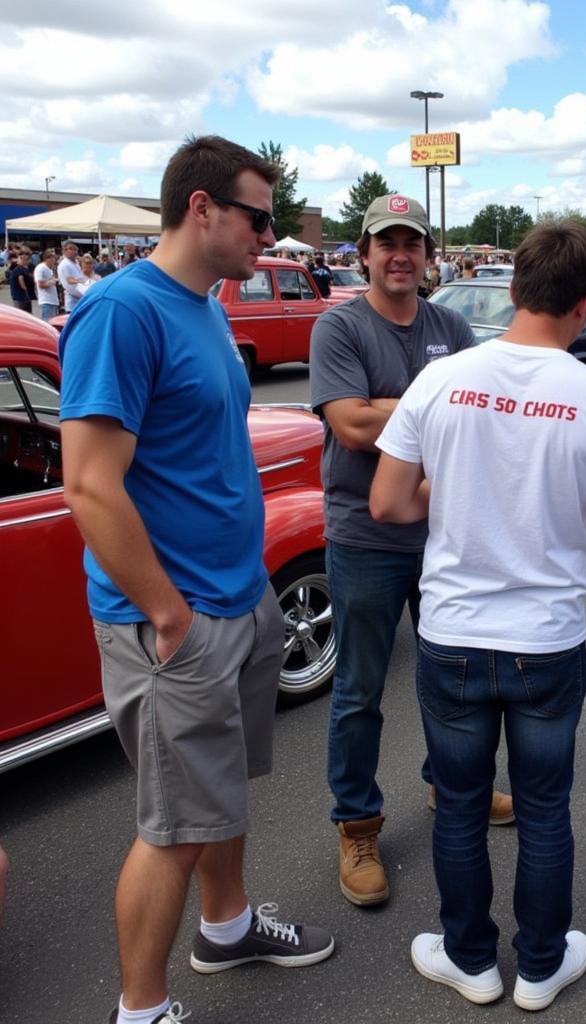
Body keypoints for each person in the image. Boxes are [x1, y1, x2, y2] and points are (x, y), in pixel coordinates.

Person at [59, 135, 334, 1024]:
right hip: (175, 623)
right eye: (260, 216)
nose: (273, 235)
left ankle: (228, 925)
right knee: (171, 826)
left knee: (218, 792)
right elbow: (89, 484)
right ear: (203, 208)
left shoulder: (206, 306)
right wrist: (165, 612)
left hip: (235, 597)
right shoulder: (122, 312)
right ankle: (140, 1010)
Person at [369, 221, 586, 1009]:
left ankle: (470, 959)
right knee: (544, 809)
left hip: (453, 635)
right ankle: (540, 966)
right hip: (546, 640)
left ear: (511, 290)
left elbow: (389, 503)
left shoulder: (439, 381)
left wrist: (467, 485)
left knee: (461, 807)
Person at [309, 194, 512, 910]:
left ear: (428, 257)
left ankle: (450, 783)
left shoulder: (449, 324)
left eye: (412, 244)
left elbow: (478, 414)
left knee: (453, 675)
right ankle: (357, 826)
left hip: (443, 534)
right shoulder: (338, 326)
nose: (400, 254)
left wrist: (401, 404)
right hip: (365, 536)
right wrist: (434, 403)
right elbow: (353, 425)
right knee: (360, 690)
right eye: (385, 242)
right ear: (362, 253)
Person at [58, 241, 86, 313]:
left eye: (76, 249)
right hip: (73, 304)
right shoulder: (65, 265)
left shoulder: (76, 263)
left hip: (81, 302)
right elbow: (70, 286)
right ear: (64, 250)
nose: (75, 251)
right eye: (72, 249)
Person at [34, 249, 60, 321]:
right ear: (48, 258)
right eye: (53, 258)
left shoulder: (49, 269)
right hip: (46, 301)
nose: (55, 260)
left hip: (53, 301)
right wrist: (53, 281)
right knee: (48, 322)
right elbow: (41, 284)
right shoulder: (41, 268)